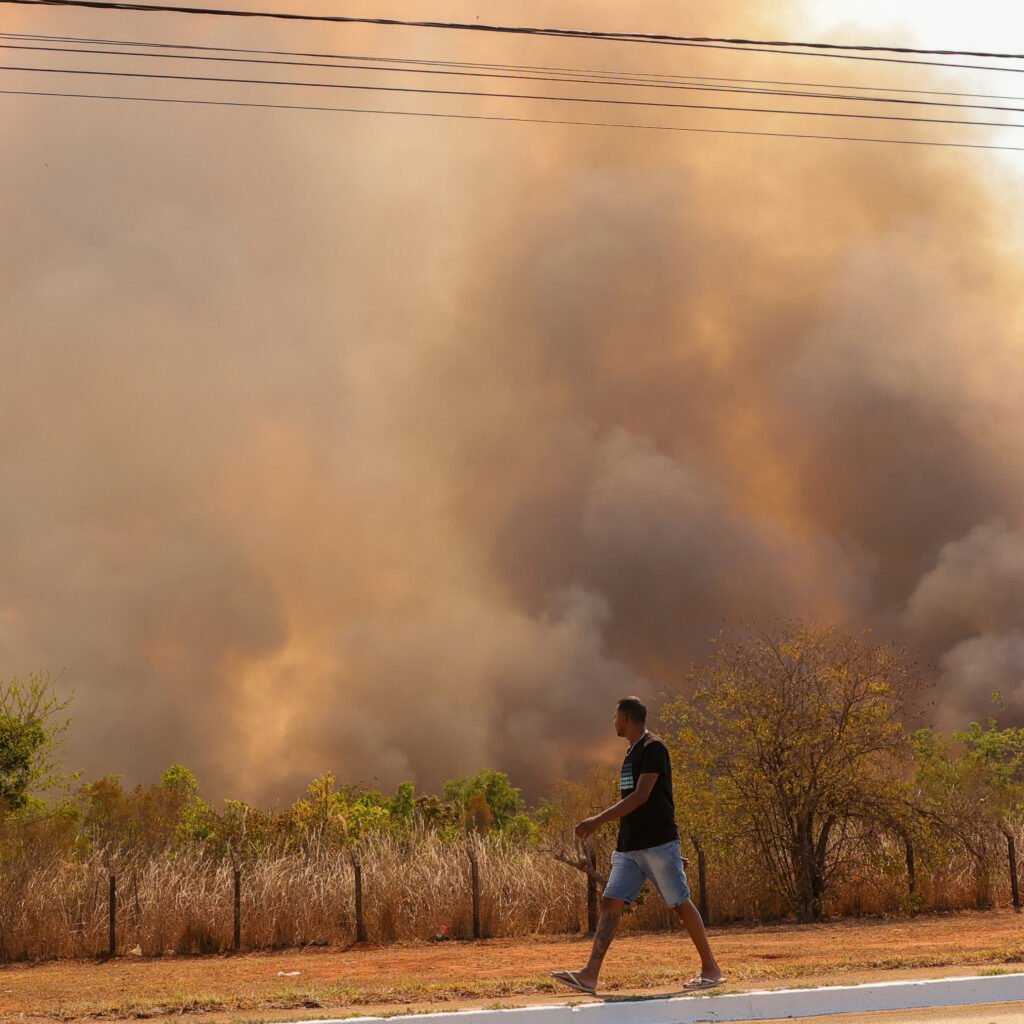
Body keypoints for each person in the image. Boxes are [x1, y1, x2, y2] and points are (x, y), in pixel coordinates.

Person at [552, 696, 724, 997]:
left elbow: (642, 797)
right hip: (629, 848)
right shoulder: (632, 752)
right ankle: (589, 975)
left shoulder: (653, 747)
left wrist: (597, 820)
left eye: (615, 716)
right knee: (611, 902)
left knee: (680, 904)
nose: (613, 722)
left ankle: (711, 969)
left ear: (626, 719)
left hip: (656, 845)